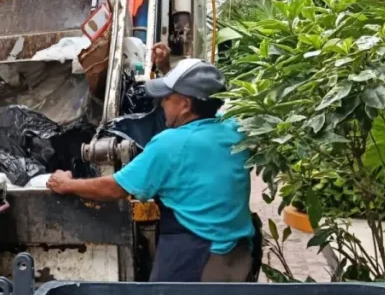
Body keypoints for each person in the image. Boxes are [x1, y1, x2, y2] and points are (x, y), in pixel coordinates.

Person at [47, 54, 256, 282]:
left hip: (197, 256)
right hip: (240, 252)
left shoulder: (170, 144)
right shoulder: (235, 129)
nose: (161, 104)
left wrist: (67, 184)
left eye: (166, 98)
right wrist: (167, 69)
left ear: (185, 104)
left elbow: (115, 188)